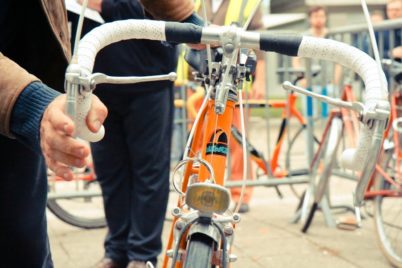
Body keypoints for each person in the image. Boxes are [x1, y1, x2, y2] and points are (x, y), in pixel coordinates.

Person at [79, 1, 203, 267]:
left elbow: (166, 11)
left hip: (149, 81)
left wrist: (107, 6)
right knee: (111, 173)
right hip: (100, 82)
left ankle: (142, 254)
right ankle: (116, 250)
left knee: (149, 172)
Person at [0, 1, 108, 267]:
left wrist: (182, 17)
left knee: (24, 244)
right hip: (23, 104)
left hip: (24, 116)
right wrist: (33, 105)